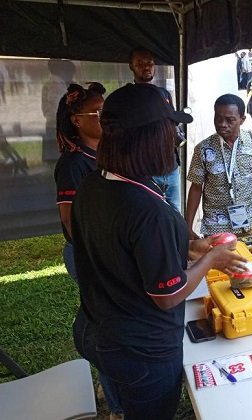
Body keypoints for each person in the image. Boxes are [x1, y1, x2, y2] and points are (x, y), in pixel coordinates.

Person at [70, 83, 247, 419]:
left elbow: (125, 251)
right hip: (141, 352)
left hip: (97, 329)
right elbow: (168, 295)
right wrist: (212, 259)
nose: (176, 139)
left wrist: (191, 247)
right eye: (171, 130)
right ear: (148, 138)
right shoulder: (147, 210)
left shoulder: (95, 185)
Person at [54, 82, 124, 420]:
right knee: (105, 328)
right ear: (77, 121)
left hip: (113, 253)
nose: (104, 117)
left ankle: (112, 385)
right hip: (91, 257)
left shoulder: (111, 151)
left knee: (117, 323)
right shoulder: (73, 165)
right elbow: (70, 223)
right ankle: (116, 405)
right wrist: (101, 259)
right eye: (96, 113)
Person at [186, 94, 252, 238]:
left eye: (230, 120)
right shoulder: (203, 149)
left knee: (251, 260)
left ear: (242, 119)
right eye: (218, 118)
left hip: (250, 223)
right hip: (217, 228)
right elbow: (196, 188)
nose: (222, 124)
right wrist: (188, 226)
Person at [129, 46, 182, 212]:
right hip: (146, 172)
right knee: (151, 216)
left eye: (150, 63)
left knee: (176, 216)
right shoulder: (126, 97)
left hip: (171, 169)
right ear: (131, 66)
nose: (146, 67)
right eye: (140, 63)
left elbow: (173, 124)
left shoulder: (163, 94)